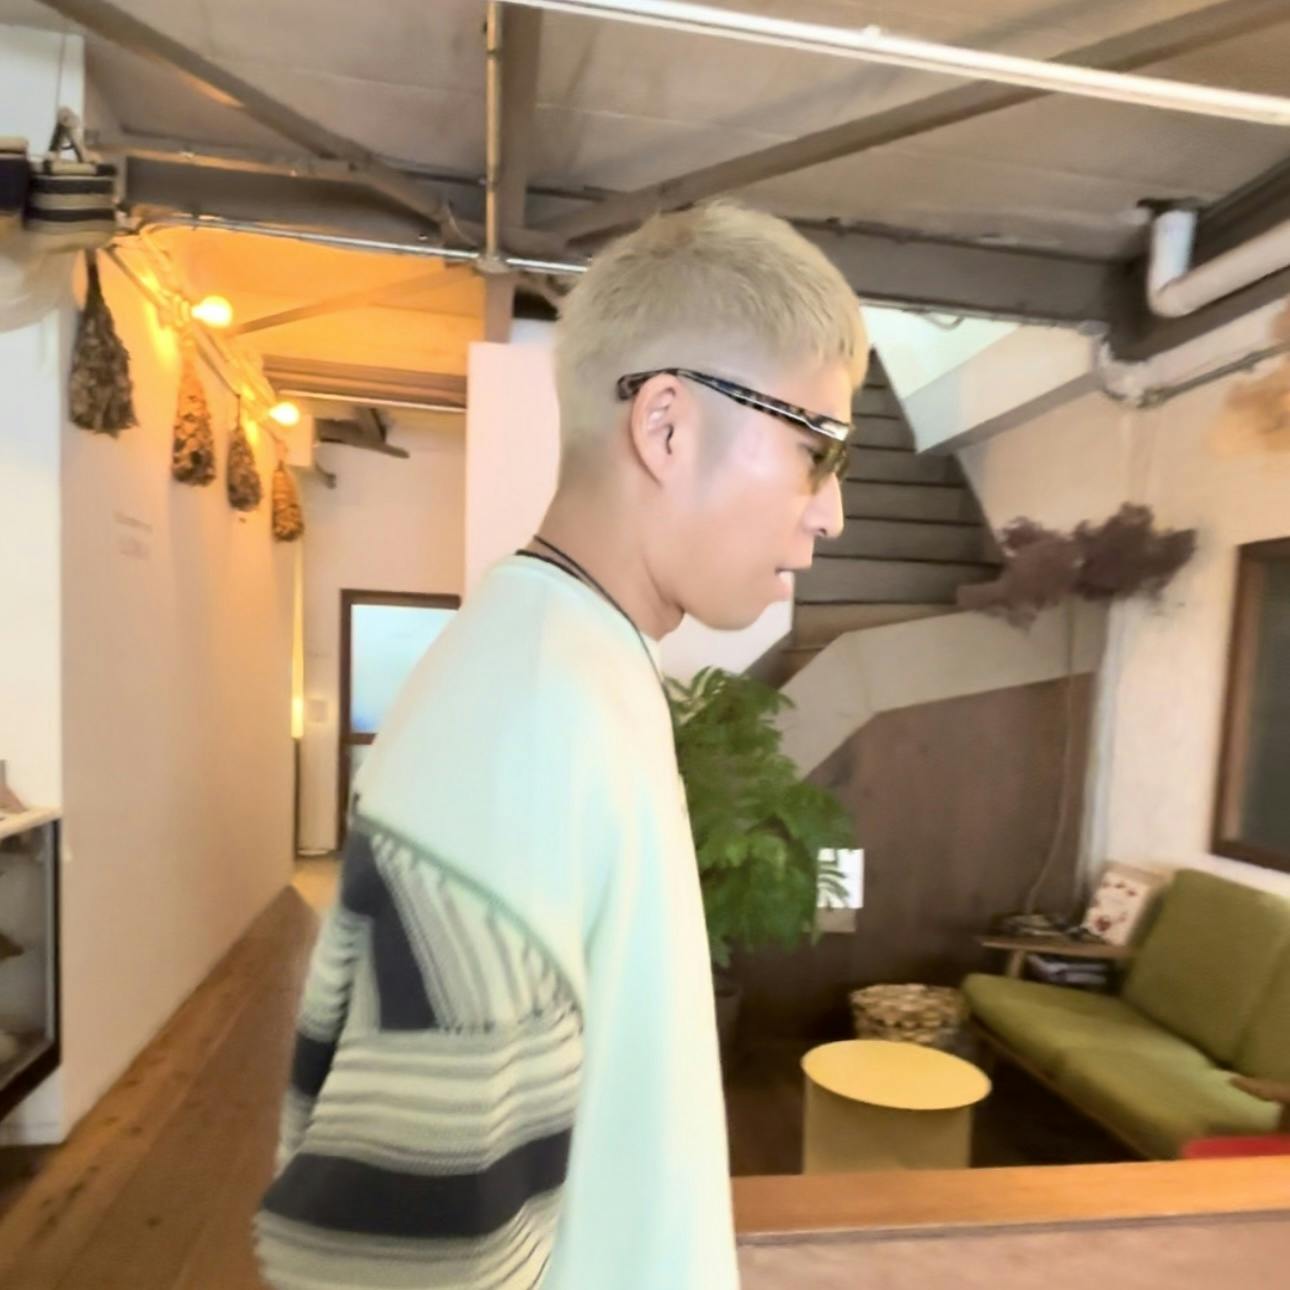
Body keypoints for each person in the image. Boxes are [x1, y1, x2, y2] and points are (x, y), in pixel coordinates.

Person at [255, 202, 868, 1289]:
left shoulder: (577, 664)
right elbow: (398, 1259)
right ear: (668, 427)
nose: (833, 513)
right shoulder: (532, 715)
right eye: (816, 448)